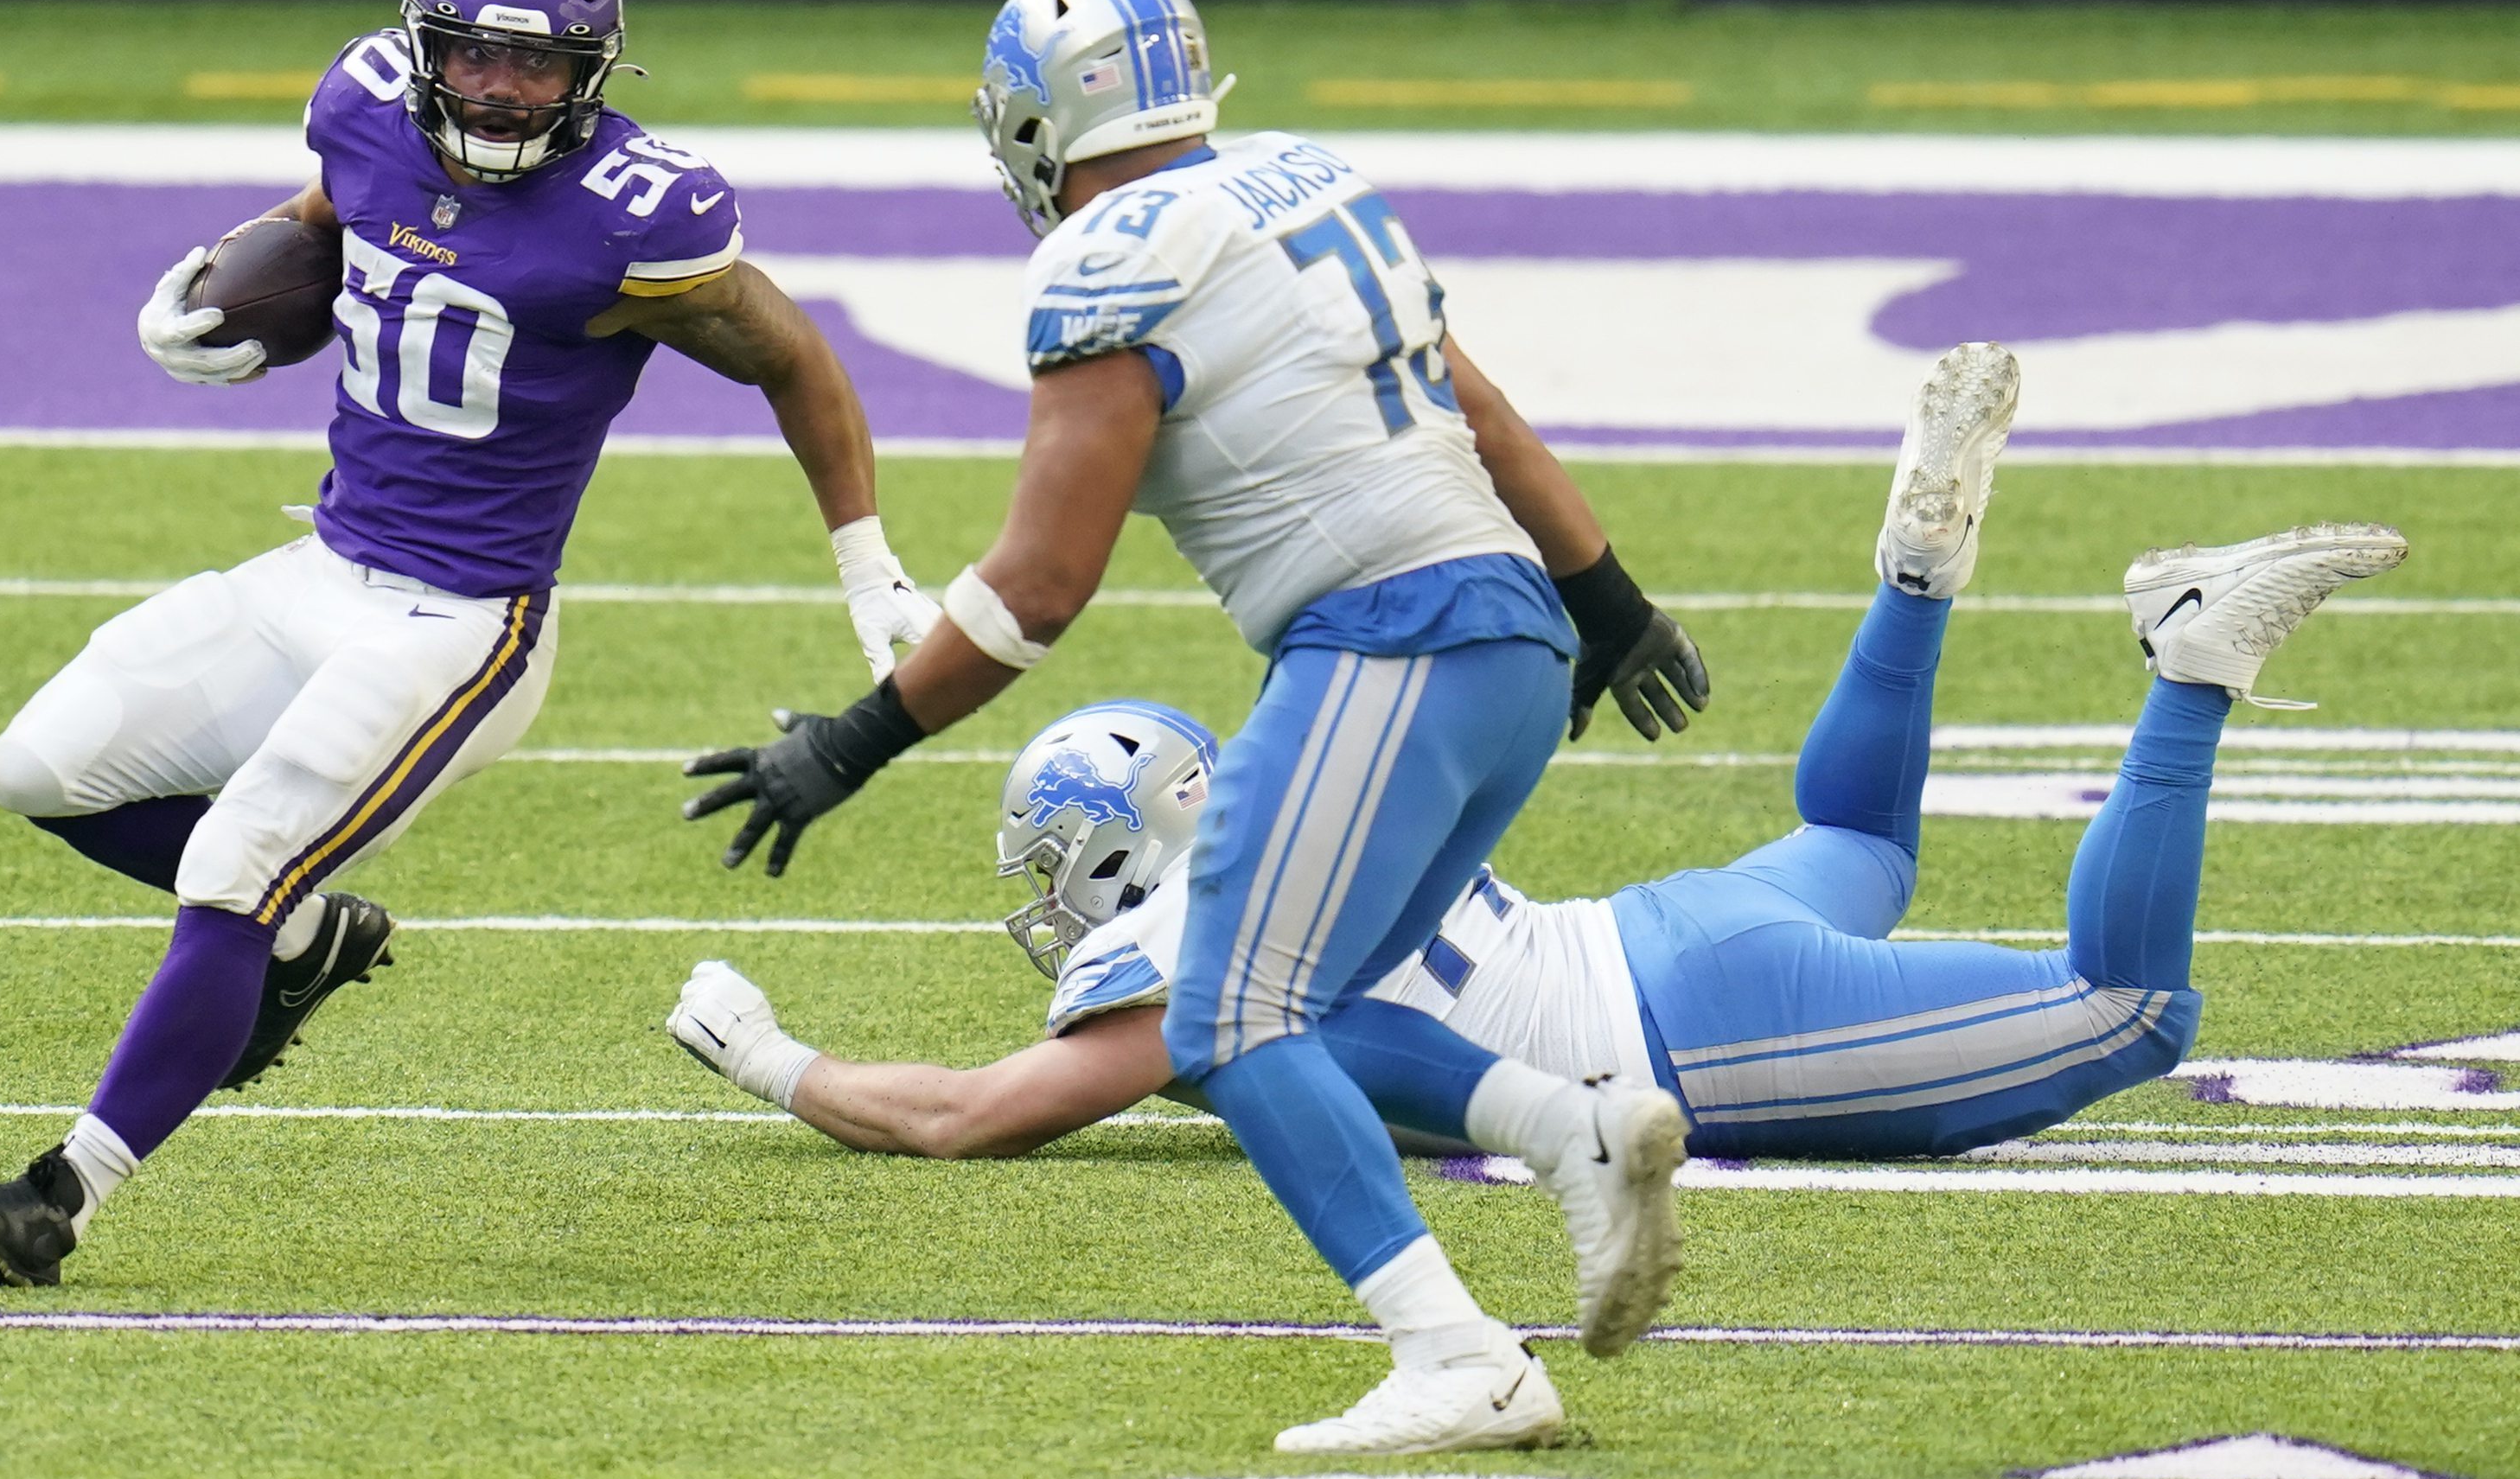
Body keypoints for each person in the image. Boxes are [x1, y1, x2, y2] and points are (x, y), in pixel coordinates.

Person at [672, 342, 2408, 1251]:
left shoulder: (1191, 944)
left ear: (1132, 849)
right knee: (1865, 845)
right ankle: (1915, 576)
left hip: (1681, 1022)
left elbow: (974, 1112)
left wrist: (774, 1057)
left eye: (1060, 861)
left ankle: (2189, 661)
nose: (1050, 898)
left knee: (2133, 1008)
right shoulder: (1300, 781)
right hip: (1660, 926)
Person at [679, 0, 1713, 1454]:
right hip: (1512, 641)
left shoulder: (1109, 259)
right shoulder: (1306, 177)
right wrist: (1607, 600)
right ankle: (1577, 1128)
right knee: (1319, 996)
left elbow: (1038, 585)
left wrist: (851, 741)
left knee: (1226, 1017)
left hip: (1386, 640)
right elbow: (1470, 403)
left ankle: (1456, 1354)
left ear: (1039, 118)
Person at [0, 0, 941, 1288]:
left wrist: (864, 562)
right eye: (476, 59)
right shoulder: (365, 102)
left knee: (232, 865)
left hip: (466, 623)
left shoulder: (635, 219)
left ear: (595, 74)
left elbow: (791, 357)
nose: (504, 90)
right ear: (427, 47)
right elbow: (332, 217)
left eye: (540, 68)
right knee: (35, 767)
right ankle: (302, 935)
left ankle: (58, 1199)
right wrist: (219, 279)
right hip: (321, 565)